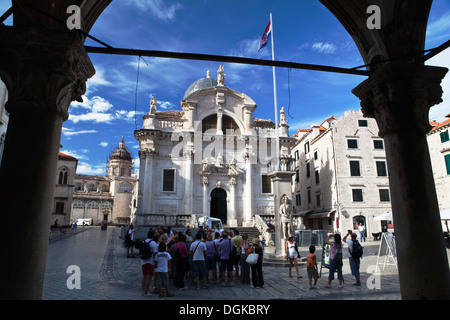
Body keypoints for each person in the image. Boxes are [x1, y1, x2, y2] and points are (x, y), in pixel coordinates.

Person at [141, 230, 157, 297]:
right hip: (150, 261)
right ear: (153, 236)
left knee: (144, 276)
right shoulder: (153, 243)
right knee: (149, 277)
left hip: (143, 261)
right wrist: (155, 262)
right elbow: (155, 253)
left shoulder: (143, 241)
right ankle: (146, 292)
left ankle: (143, 291)